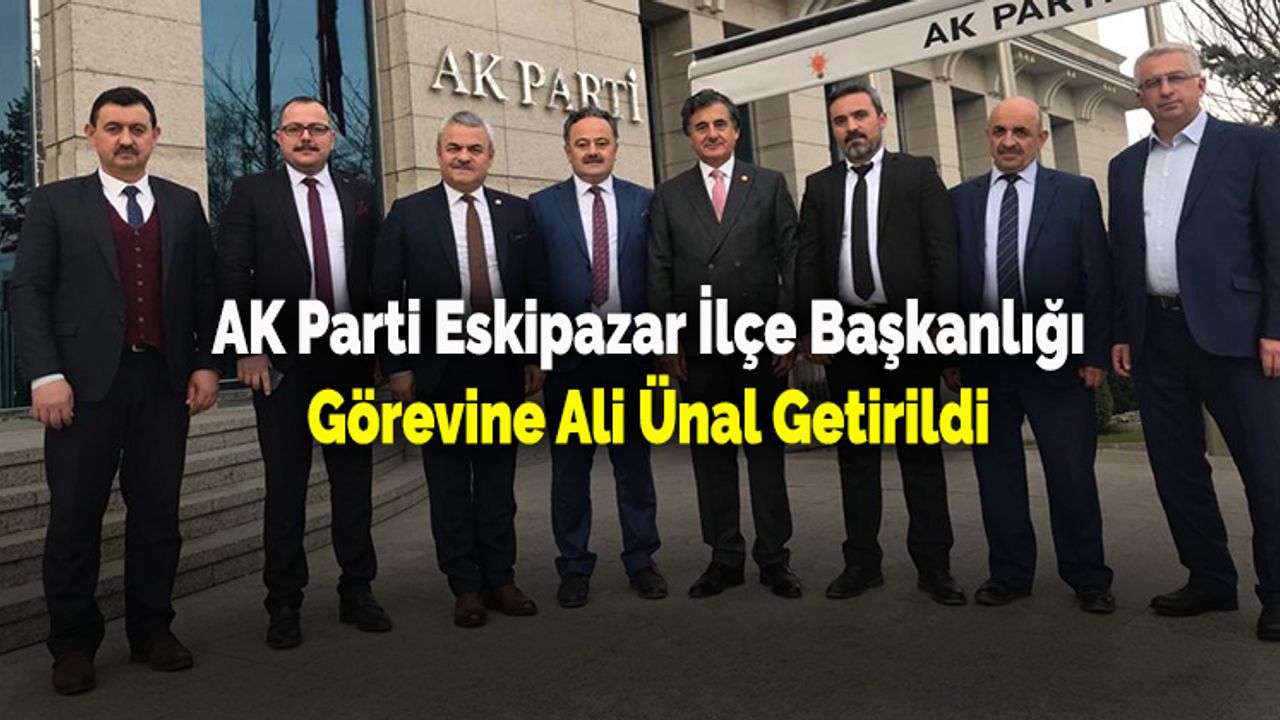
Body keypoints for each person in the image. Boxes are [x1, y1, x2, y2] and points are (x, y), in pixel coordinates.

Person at [9, 86, 220, 694]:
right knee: (74, 519)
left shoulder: (183, 204)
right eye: (113, 128)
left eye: (137, 128)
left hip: (162, 382)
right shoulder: (55, 203)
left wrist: (208, 364)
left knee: (158, 516)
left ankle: (152, 630)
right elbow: (28, 291)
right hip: (81, 386)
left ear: (155, 135)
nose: (126, 139)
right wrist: (45, 375)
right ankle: (73, 645)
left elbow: (205, 292)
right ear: (91, 134)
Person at [1109, 43, 1280, 641]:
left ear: (1200, 84)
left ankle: (1277, 591)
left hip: (1239, 336)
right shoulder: (1125, 166)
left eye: (1176, 78)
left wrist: (1275, 326)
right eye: (1151, 83)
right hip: (1156, 336)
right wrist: (1122, 332)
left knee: (1267, 468)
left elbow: (1276, 242)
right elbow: (1123, 256)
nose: (1165, 90)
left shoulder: (1253, 147)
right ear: (1139, 96)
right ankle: (1209, 579)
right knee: (1176, 469)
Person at [217, 96, 390, 650]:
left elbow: (378, 276)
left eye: (317, 128)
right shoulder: (252, 192)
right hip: (282, 365)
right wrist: (247, 347)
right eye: (294, 129)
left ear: (332, 138)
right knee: (285, 488)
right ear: (279, 138)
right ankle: (284, 602)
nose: (306, 137)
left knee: (353, 484)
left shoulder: (361, 194)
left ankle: (357, 590)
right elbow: (233, 272)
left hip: (350, 360)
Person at [373, 110, 548, 628]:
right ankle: (465, 586)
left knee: (497, 484)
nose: (464, 157)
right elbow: (386, 295)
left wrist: (535, 353)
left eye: (474, 149)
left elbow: (534, 289)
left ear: (490, 157)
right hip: (438, 373)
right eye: (454, 148)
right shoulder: (409, 213)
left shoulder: (518, 213)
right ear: (439, 154)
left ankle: (501, 577)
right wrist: (397, 365)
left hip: (501, 367)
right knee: (449, 486)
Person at [795, 81, 965, 605]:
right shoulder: (820, 186)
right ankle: (861, 564)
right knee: (856, 458)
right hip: (848, 338)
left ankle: (935, 567)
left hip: (910, 335)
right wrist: (812, 328)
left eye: (860, 116)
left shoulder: (918, 174)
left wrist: (949, 340)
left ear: (881, 120)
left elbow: (943, 257)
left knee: (920, 456)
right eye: (841, 120)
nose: (852, 127)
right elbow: (808, 262)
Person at [946, 96, 1114, 613]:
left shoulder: (1076, 193)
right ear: (987, 137)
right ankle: (1009, 573)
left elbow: (1097, 276)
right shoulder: (961, 200)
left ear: (1041, 139)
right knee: (997, 475)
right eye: (999, 131)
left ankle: (1088, 576)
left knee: (1071, 472)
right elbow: (950, 282)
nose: (1009, 141)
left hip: (1057, 357)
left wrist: (1094, 352)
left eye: (1020, 132)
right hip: (985, 359)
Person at [648, 89, 802, 600]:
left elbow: (791, 259)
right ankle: (724, 557)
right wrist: (665, 338)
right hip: (699, 348)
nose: (711, 134)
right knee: (711, 456)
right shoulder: (669, 196)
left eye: (720, 124)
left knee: (765, 454)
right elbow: (659, 269)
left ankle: (775, 558)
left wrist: (788, 329)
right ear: (688, 137)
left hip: (761, 344)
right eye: (701, 127)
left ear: (736, 131)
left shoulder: (768, 183)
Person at [528, 106, 666, 608]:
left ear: (615, 148)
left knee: (634, 467)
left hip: (631, 356)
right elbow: (534, 284)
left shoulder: (645, 202)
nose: (592, 151)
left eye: (601, 142)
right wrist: (537, 352)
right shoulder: (540, 207)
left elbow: (659, 276)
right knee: (570, 471)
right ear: (567, 150)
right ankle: (573, 566)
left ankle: (641, 560)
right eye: (582, 143)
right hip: (569, 359)